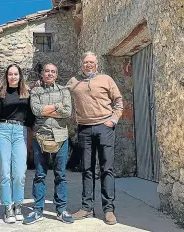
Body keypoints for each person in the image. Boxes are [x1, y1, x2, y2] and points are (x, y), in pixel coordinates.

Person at [69, 52, 123, 225]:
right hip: (84, 129)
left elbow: (118, 101)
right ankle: (86, 208)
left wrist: (113, 120)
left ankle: (109, 210)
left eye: (91, 62)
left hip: (104, 128)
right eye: (85, 62)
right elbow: (60, 93)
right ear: (81, 64)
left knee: (107, 168)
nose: (88, 65)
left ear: (97, 64)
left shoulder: (106, 79)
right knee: (87, 169)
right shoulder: (74, 81)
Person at [23, 63, 74, 225]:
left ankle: (61, 210)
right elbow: (36, 111)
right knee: (39, 175)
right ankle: (37, 210)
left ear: (56, 75)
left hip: (60, 137)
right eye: (47, 71)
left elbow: (67, 112)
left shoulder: (64, 90)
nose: (50, 74)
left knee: (61, 175)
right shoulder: (36, 91)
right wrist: (57, 107)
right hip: (41, 136)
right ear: (42, 74)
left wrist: (48, 109)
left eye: (53, 71)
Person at [0, 64, 35, 223]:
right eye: (10, 74)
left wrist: (31, 134)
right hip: (3, 130)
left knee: (19, 173)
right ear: (6, 76)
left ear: (20, 76)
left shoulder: (27, 93)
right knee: (5, 172)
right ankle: (8, 207)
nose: (13, 76)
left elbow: (31, 116)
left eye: (15, 74)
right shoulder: (0, 93)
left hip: (20, 131)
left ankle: (18, 205)